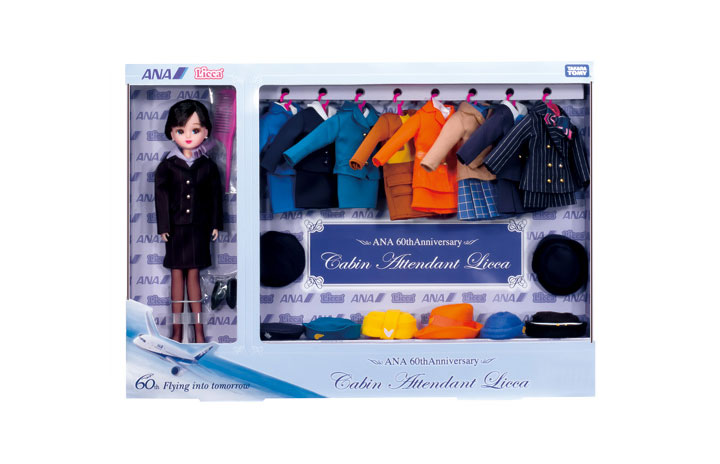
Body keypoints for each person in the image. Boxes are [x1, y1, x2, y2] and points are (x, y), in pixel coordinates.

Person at [154, 100, 224, 342]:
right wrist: (164, 227)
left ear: (205, 131)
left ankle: (198, 330)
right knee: (177, 275)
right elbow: (161, 198)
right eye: (180, 130)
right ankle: (176, 331)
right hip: (175, 230)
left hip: (198, 229)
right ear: (171, 133)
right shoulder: (167, 166)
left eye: (195, 130)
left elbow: (215, 197)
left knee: (193, 275)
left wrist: (215, 223)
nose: (188, 136)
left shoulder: (208, 166)